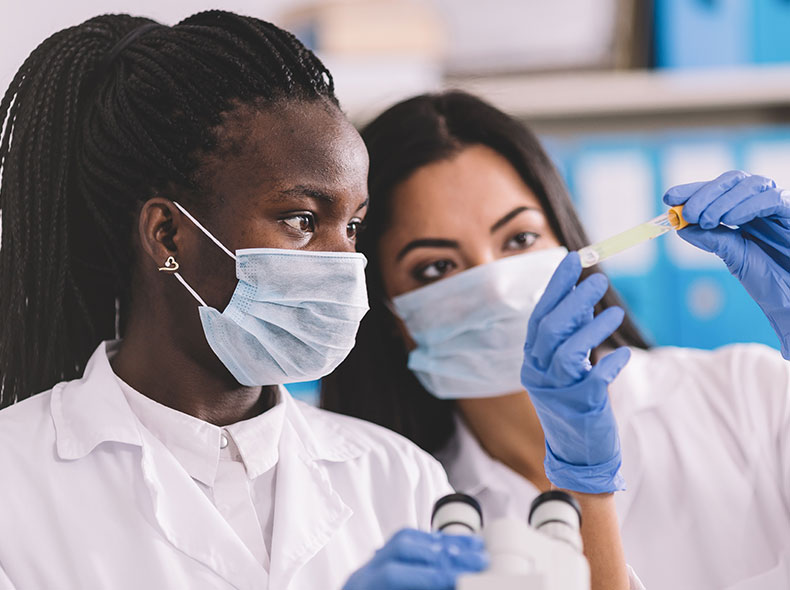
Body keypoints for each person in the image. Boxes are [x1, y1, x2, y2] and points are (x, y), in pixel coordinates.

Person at [0, 15, 489, 590]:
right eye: (302, 220)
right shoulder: (16, 484)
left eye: (352, 226)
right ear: (168, 237)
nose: (343, 261)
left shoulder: (398, 478)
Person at [322, 91, 790, 590]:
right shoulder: (406, 506)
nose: (498, 286)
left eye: (520, 239)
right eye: (437, 267)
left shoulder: (747, 395)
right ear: (388, 311)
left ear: (568, 241)